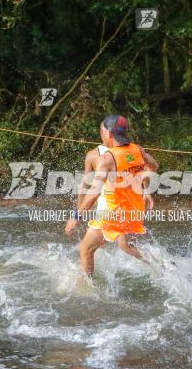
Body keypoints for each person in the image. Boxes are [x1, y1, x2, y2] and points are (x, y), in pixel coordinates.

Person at [65, 115, 159, 275]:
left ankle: (88, 286)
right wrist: (143, 187)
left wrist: (76, 216)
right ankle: (161, 265)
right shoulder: (137, 149)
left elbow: (94, 192)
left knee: (85, 249)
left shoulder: (107, 159)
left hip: (114, 211)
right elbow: (154, 166)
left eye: (101, 131)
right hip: (134, 209)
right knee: (125, 246)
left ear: (108, 134)